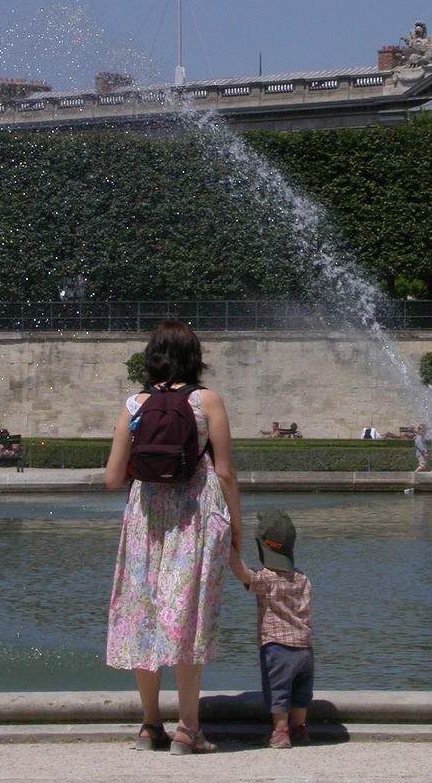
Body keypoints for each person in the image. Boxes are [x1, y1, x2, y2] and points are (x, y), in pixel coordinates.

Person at [105, 320, 242, 755]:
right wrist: (236, 526)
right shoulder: (207, 401)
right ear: (194, 357)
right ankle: (188, 729)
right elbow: (224, 472)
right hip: (194, 518)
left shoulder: (135, 404)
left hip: (145, 520)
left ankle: (149, 726)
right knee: (187, 619)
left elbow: (111, 478)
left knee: (141, 617)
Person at [229, 509, 313, 750]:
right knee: (300, 692)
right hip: (305, 649)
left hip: (277, 647)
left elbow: (243, 573)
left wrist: (229, 549)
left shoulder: (266, 578)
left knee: (278, 692)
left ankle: (280, 731)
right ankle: (299, 729)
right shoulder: (303, 578)